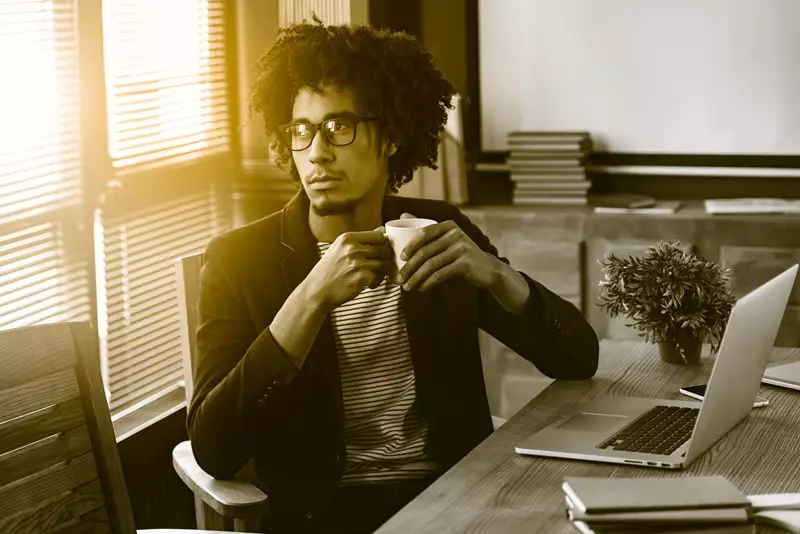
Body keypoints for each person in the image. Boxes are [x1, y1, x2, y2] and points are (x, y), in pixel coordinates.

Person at [188, 19, 599, 534]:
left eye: (339, 127)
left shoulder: (438, 233)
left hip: (457, 502)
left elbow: (578, 357)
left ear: (391, 137)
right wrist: (310, 296)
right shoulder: (237, 259)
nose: (317, 151)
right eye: (301, 130)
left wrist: (493, 274)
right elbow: (213, 448)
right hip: (325, 517)